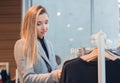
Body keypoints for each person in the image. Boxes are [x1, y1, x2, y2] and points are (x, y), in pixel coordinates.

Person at [14, 5, 61, 83]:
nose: (44, 27)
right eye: (39, 24)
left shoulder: (49, 45)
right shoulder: (22, 45)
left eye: (46, 22)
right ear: (30, 25)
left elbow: (54, 69)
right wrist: (55, 75)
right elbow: (27, 79)